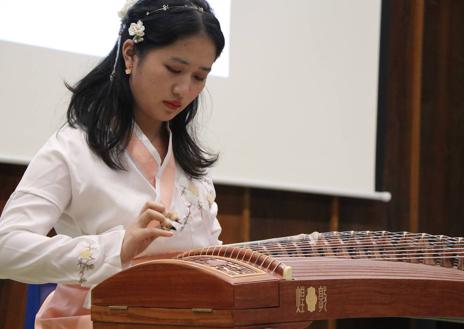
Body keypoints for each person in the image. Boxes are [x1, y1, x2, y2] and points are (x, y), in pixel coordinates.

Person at [0, 0, 225, 327]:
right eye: (174, 69)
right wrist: (115, 247)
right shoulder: (73, 149)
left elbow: (211, 260)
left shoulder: (189, 165)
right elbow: (6, 248)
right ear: (130, 54)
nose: (184, 89)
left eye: (199, 77)